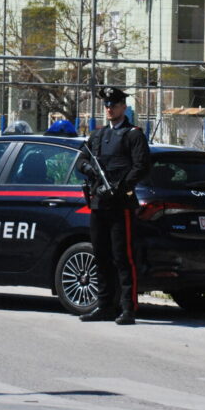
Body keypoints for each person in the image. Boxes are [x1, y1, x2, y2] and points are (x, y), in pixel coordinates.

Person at [78, 86, 150, 325]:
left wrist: (120, 186)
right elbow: (82, 160)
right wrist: (88, 170)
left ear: (123, 107)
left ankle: (128, 309)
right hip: (99, 204)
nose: (109, 109)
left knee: (123, 257)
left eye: (114, 105)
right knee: (100, 255)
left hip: (120, 204)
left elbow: (141, 166)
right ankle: (104, 305)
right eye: (107, 105)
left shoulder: (133, 134)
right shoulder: (98, 135)